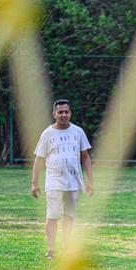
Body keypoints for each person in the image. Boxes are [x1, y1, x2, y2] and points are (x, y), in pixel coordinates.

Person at [31, 99, 93, 259]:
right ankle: (51, 249)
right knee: (53, 214)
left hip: (73, 181)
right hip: (54, 181)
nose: (63, 115)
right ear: (54, 114)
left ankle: (66, 245)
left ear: (70, 113)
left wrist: (90, 181)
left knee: (69, 215)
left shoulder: (78, 132)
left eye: (66, 112)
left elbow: (85, 156)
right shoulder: (47, 134)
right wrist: (34, 183)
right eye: (60, 112)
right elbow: (39, 159)